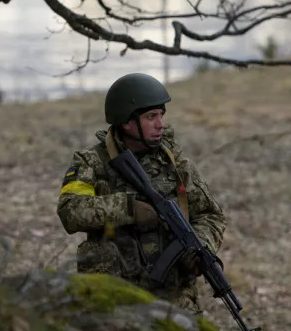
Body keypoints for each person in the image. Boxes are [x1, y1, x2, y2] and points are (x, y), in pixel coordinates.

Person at [56, 72, 228, 314]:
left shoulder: (175, 164)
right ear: (127, 122)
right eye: (151, 117)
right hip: (112, 296)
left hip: (175, 300)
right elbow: (70, 210)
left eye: (161, 115)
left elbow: (211, 215)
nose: (161, 124)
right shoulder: (91, 162)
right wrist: (128, 209)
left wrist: (199, 247)